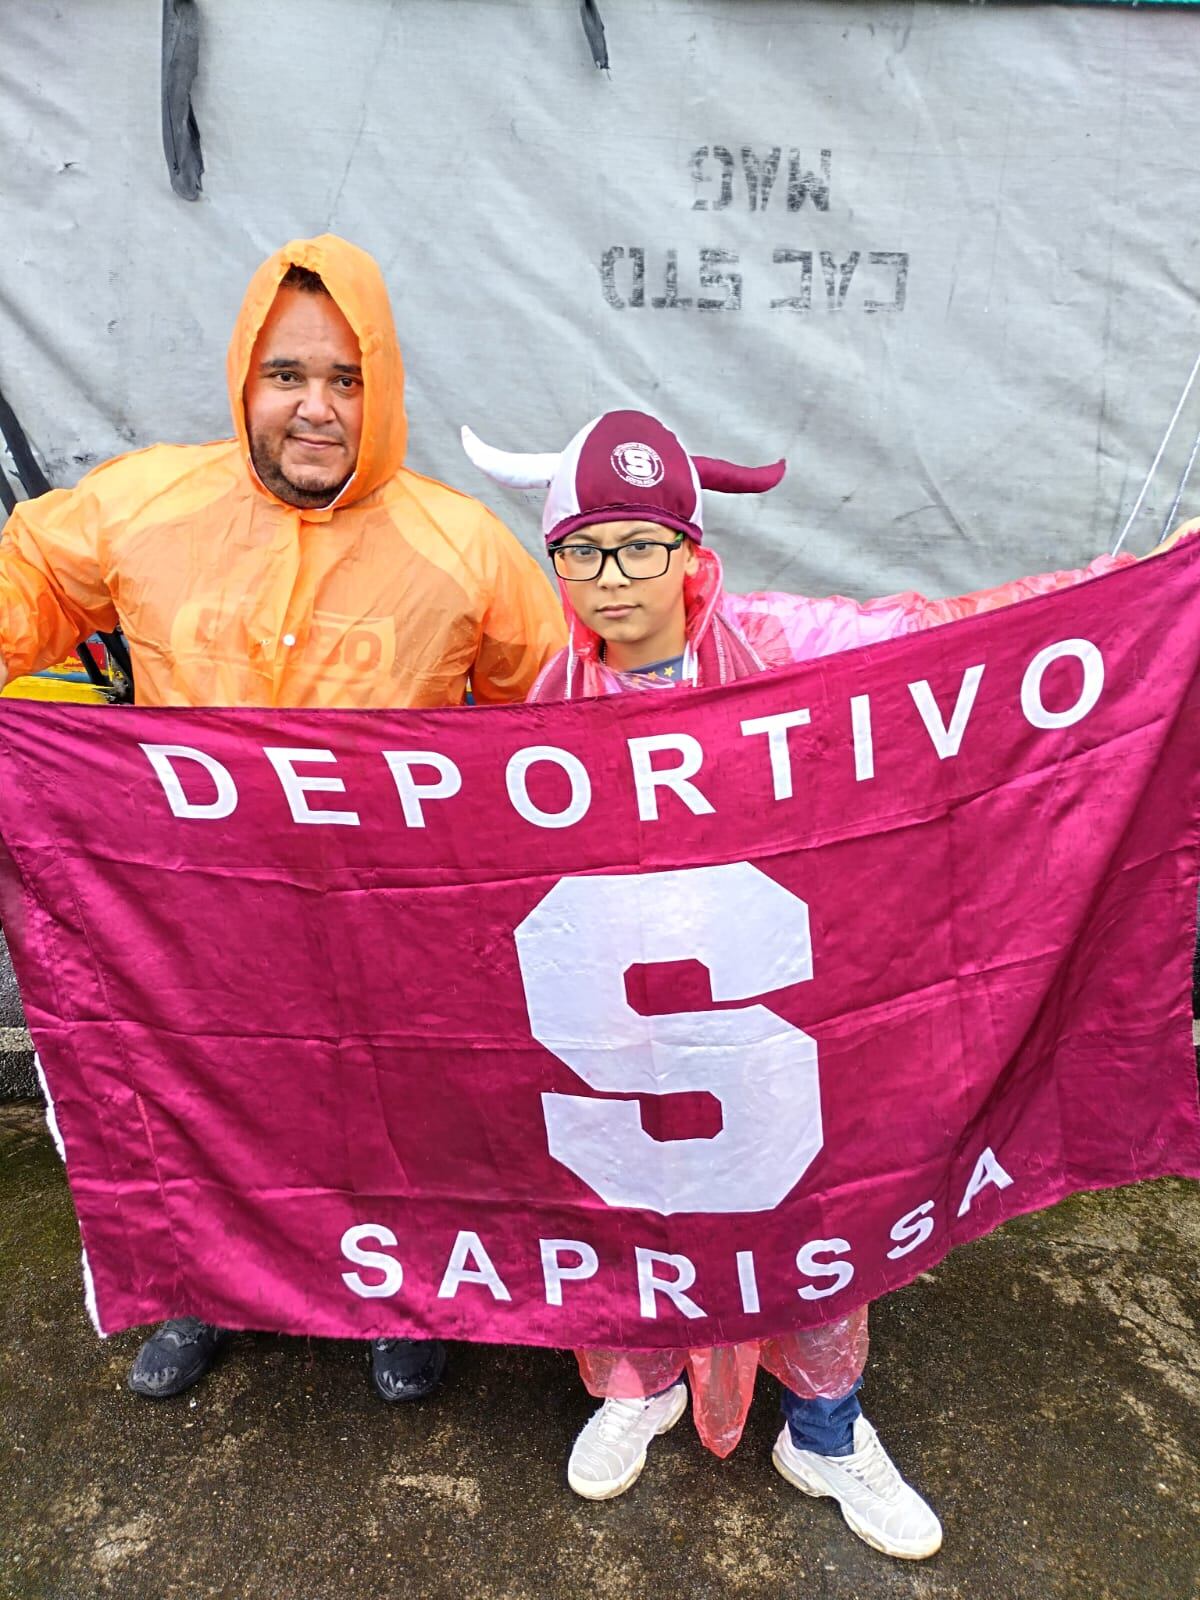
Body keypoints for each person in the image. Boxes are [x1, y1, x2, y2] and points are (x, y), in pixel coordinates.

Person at [462, 406, 1152, 1561]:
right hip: (630, 1027)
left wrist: (1120, 591)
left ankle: (826, 1430)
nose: (612, 578)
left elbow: (940, 640)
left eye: (640, 545)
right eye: (582, 549)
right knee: (626, 1207)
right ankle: (640, 1384)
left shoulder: (781, 644)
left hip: (776, 1015)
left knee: (810, 1211)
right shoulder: (552, 688)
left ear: (690, 549)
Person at [0, 234, 565, 1403]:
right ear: (246, 380)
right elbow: (30, 582)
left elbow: (565, 724)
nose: (317, 406)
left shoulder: (462, 548)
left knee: (393, 1114)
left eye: (346, 378)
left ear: (383, 387)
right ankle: (205, 1291)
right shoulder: (145, 505)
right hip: (191, 915)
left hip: (384, 926)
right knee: (198, 1107)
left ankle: (402, 1291)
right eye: (289, 374)